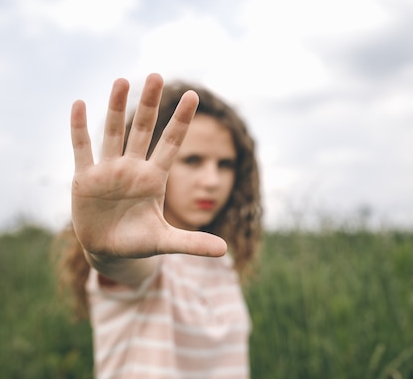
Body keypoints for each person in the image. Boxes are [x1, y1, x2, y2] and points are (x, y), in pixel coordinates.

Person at [57, 73, 262, 379]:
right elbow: (125, 268)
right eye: (193, 160)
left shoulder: (221, 260)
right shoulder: (144, 259)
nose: (212, 181)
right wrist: (110, 252)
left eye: (225, 164)